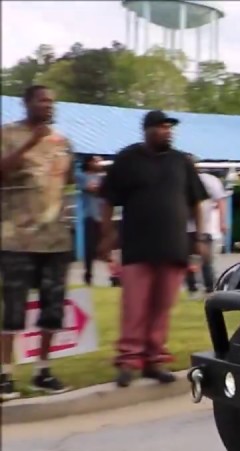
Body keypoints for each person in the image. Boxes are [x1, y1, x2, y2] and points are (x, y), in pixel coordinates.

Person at [98, 110, 209, 387]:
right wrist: (106, 235)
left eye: (170, 128)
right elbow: (108, 200)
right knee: (135, 306)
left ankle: (154, 360)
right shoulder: (127, 159)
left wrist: (200, 236)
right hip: (137, 245)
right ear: (146, 130)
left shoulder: (181, 162)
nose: (168, 132)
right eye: (162, 127)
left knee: (162, 306)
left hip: (173, 245)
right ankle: (128, 361)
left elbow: (197, 201)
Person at [0, 85, 74, 399]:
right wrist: (32, 142)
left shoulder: (62, 142)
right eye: (43, 100)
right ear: (27, 103)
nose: (49, 105)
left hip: (55, 240)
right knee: (13, 310)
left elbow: (67, 182)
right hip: (17, 237)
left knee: (52, 310)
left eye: (52, 101)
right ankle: (5, 375)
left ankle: (43, 371)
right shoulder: (8, 135)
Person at [184, 154, 227, 298]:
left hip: (204, 225)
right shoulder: (177, 182)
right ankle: (192, 288)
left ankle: (209, 288)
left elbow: (220, 200)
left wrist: (222, 221)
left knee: (205, 258)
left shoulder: (208, 181)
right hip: (184, 226)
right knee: (187, 258)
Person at [76, 155, 106, 286]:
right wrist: (102, 188)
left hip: (104, 216)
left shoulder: (103, 177)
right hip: (90, 216)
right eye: (96, 161)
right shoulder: (82, 176)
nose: (99, 163)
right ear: (89, 163)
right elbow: (91, 188)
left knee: (109, 246)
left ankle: (115, 275)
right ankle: (88, 274)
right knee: (90, 248)